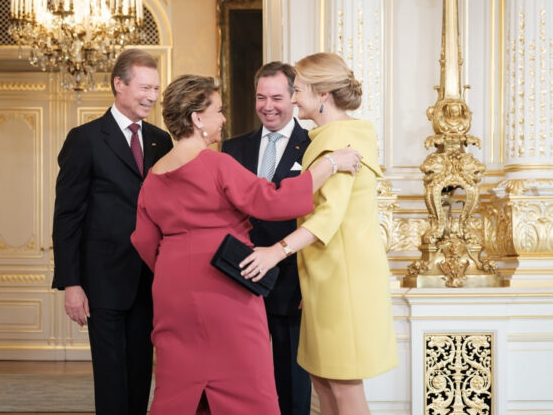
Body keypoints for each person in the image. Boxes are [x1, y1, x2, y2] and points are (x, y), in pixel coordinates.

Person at [130, 74, 362, 414]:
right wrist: (330, 164)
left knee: (179, 380)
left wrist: (174, 267)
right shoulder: (216, 164)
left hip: (172, 289)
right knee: (245, 380)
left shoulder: (153, 176)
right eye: (218, 111)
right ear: (197, 119)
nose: (224, 119)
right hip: (225, 283)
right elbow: (273, 201)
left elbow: (144, 239)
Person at [240, 52, 398, 415]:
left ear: (323, 93)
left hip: (343, 280)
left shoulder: (340, 137)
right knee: (324, 383)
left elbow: (328, 216)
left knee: (343, 388)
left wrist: (274, 252)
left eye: (298, 90)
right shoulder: (332, 136)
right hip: (325, 277)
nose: (293, 98)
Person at [52, 49, 173, 415]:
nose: (152, 96)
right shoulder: (85, 139)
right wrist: (71, 283)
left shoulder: (161, 140)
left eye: (156, 88)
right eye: (145, 88)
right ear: (119, 84)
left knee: (140, 374)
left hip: (149, 279)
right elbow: (67, 216)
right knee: (110, 377)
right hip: (102, 281)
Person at [221, 61, 311, 415]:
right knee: (242, 379)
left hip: (291, 281)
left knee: (291, 383)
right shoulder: (232, 149)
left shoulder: (312, 147)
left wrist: (308, 284)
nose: (268, 106)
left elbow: (320, 219)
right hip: (241, 278)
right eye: (261, 97)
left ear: (293, 97)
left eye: (276, 97)